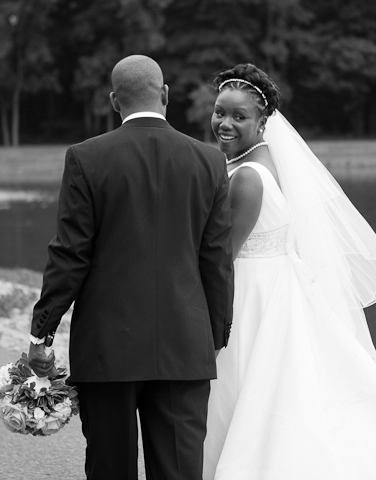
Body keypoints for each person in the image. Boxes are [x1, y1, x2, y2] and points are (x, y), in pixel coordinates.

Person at [204, 63, 376, 479]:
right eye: (220, 112)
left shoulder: (248, 177)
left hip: (252, 296)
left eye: (239, 116)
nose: (225, 123)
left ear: (262, 122)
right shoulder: (261, 160)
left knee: (251, 392)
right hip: (278, 287)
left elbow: (224, 258)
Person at [27, 55, 234, 480]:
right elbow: (217, 260)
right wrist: (214, 336)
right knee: (179, 472)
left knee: (110, 469)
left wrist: (41, 333)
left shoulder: (86, 157)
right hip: (184, 345)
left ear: (113, 101)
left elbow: (69, 255)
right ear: (165, 94)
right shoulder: (209, 161)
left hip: (107, 349)